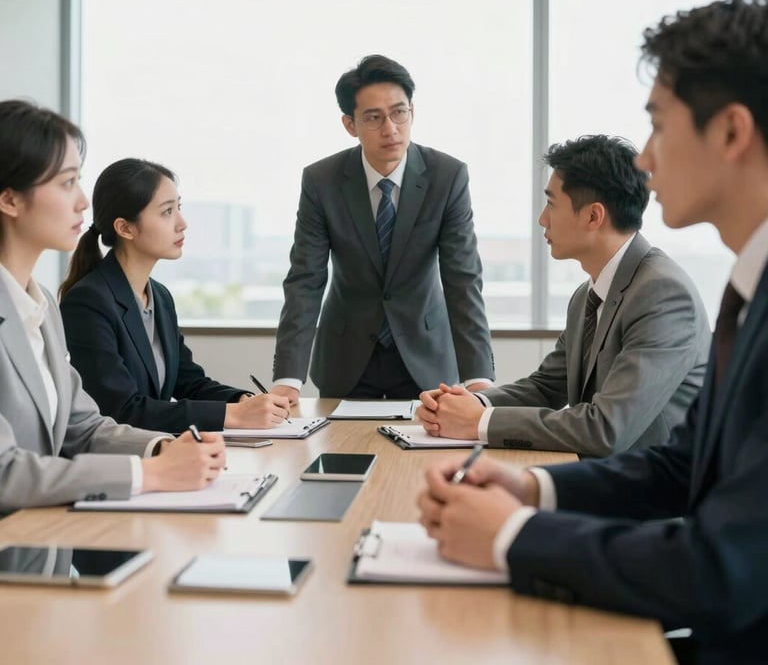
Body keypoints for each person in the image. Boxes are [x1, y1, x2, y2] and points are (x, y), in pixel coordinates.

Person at [418, 0, 768, 664]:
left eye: (659, 126)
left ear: (730, 132)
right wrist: (531, 487)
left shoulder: (677, 291)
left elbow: (724, 565)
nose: (645, 159)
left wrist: (512, 536)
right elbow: (680, 464)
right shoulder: (744, 290)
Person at [417, 135, 710, 456]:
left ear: (593, 216)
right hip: (602, 478)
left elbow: (606, 429)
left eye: (552, 203)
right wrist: (468, 403)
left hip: (652, 496)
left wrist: (480, 422)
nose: (542, 219)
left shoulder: (663, 295)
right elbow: (546, 387)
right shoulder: (587, 295)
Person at [0, 99, 226, 514]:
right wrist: (151, 474)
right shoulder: (84, 299)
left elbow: (80, 424)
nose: (83, 202)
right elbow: (4, 473)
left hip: (43, 547)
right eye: (67, 183)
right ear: (11, 200)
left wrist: (164, 447)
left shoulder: (41, 304)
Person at [272, 54, 494, 401]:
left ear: (412, 112)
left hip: (426, 359)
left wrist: (478, 377)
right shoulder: (322, 181)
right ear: (350, 124)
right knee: (340, 454)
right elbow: (306, 280)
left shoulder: (447, 176)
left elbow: (462, 278)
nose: (390, 128)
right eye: (373, 118)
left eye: (399, 112)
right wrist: (288, 377)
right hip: (346, 359)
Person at [59, 158, 291, 434]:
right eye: (167, 212)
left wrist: (241, 400)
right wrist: (235, 415)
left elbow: (187, 381)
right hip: (121, 462)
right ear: (125, 228)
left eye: (178, 208)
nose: (182, 223)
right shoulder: (88, 302)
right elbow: (121, 410)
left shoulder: (159, 295)